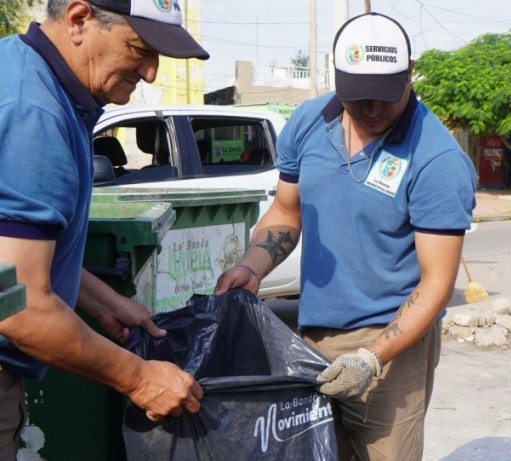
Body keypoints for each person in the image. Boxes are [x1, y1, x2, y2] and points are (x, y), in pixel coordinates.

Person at [215, 12, 477, 461]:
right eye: (359, 97)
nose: (372, 109)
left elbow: (437, 282)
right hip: (310, 337)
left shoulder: (437, 159)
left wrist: (372, 358)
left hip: (393, 346)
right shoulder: (307, 122)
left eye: (384, 97)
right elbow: (285, 211)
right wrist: (251, 266)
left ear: (409, 73)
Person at [0, 0, 209, 457]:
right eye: (140, 48)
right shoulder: (34, 113)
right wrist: (140, 378)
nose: (151, 73)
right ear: (79, 20)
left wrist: (103, 301)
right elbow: (18, 307)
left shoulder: (20, 68)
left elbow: (13, 264)